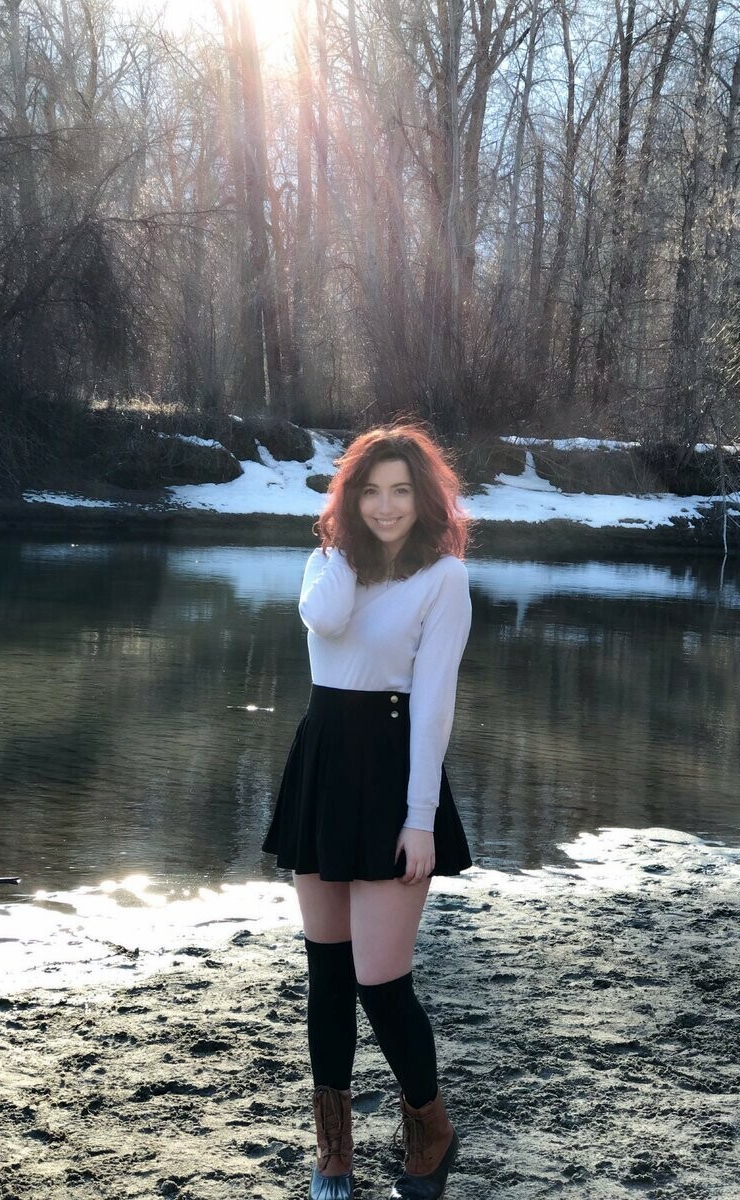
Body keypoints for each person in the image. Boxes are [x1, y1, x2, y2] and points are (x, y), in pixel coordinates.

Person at [262, 421, 474, 1200]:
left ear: (424, 499)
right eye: (371, 492)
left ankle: (431, 1132)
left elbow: (434, 704)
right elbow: (324, 622)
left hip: (391, 774)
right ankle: (333, 1154)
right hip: (322, 765)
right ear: (350, 498)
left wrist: (420, 817)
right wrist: (345, 552)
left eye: (401, 491)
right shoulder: (327, 563)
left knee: (380, 982)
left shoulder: (444, 578)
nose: (386, 507)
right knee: (326, 974)